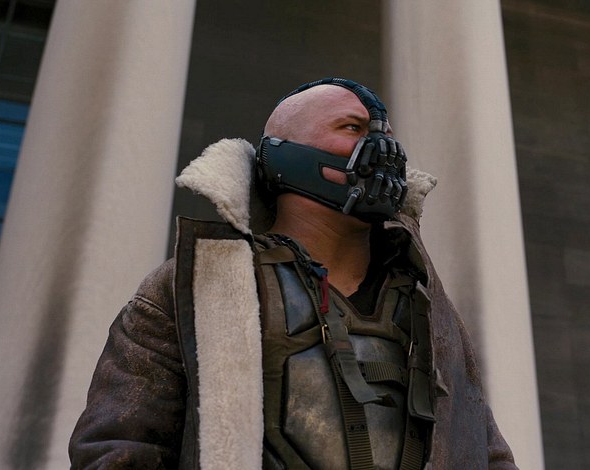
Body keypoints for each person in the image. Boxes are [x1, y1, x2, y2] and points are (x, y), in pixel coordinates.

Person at [69, 78, 517, 469]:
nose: (383, 148)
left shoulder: (430, 307)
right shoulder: (189, 288)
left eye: (385, 134)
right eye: (353, 128)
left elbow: (485, 452)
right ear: (282, 156)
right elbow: (118, 449)